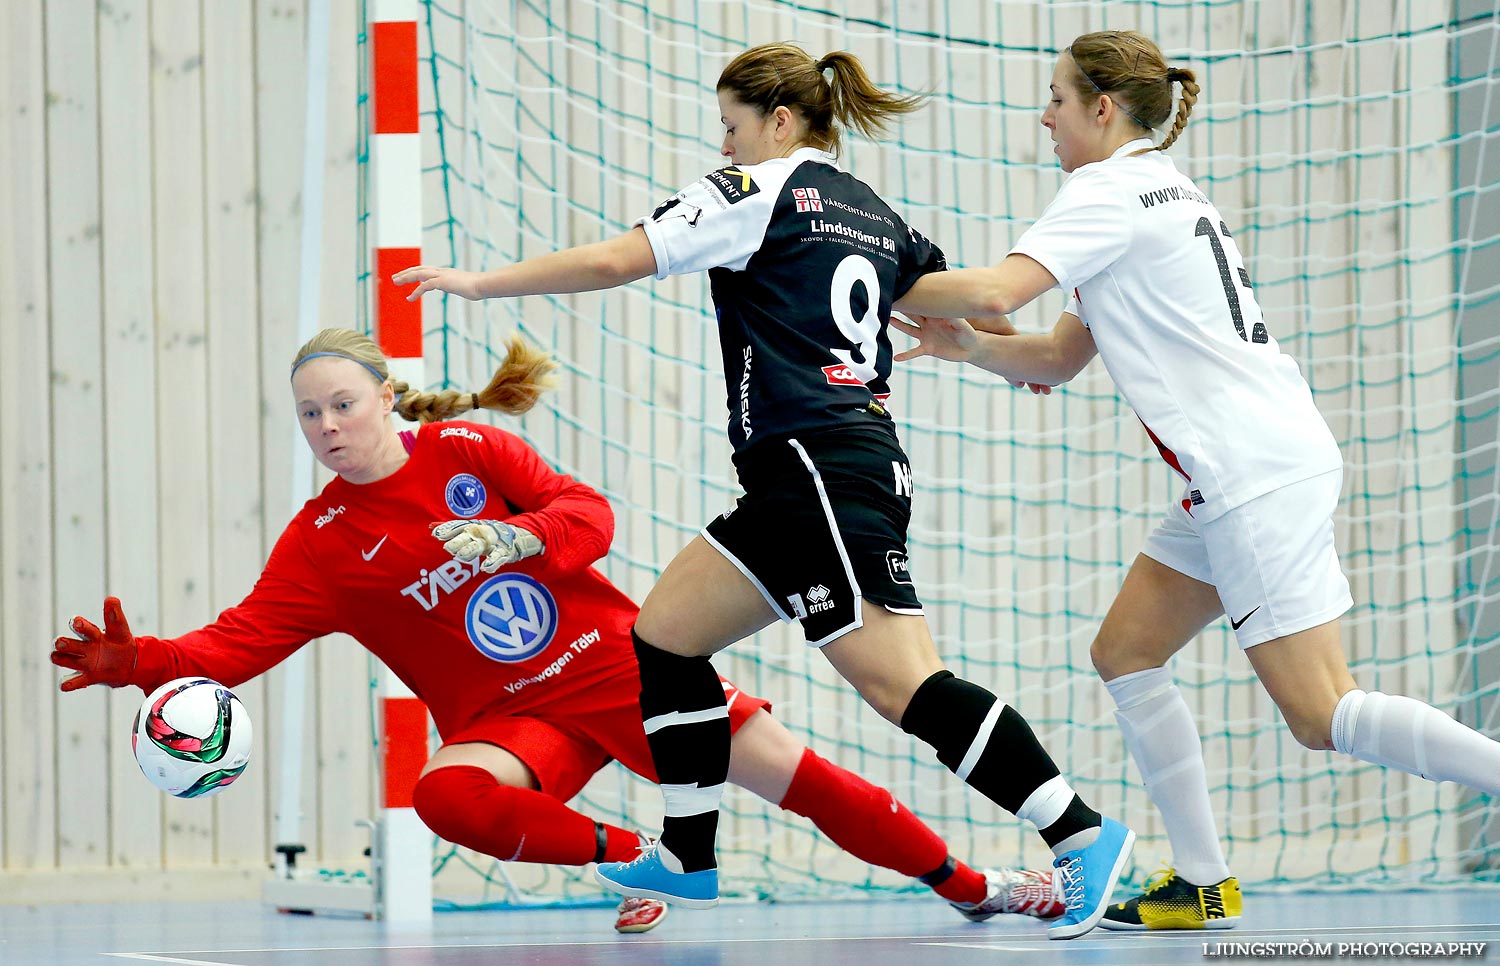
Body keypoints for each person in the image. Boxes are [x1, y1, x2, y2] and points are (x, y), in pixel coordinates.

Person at [394, 42, 1133, 940]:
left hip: (819, 465)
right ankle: (689, 857)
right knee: (664, 638)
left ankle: (1081, 834)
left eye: (733, 126)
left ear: (779, 122)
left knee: (906, 687)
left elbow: (614, 261)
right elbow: (985, 317)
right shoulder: (872, 210)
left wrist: (480, 282)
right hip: (807, 474)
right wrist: (1004, 358)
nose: (727, 144)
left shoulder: (754, 191)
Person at [51, 327, 1065, 934]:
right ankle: (640, 855)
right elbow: (235, 646)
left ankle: (977, 886)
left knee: (813, 788)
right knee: (446, 796)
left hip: (625, 671)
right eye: (309, 415)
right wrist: (132, 663)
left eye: (343, 405)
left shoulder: (472, 448)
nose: (327, 428)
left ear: (386, 399)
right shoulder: (319, 544)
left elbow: (592, 519)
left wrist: (511, 541)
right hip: (510, 717)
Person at [889, 28, 1500, 931]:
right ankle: (1205, 882)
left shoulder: (1102, 190)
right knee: (1126, 653)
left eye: (1057, 97)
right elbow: (1058, 354)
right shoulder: (1158, 189)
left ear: (1103, 109)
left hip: (1248, 470)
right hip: (1244, 467)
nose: (1044, 113)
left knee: (1321, 712)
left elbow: (995, 289)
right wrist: (973, 349)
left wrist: (850, 265)